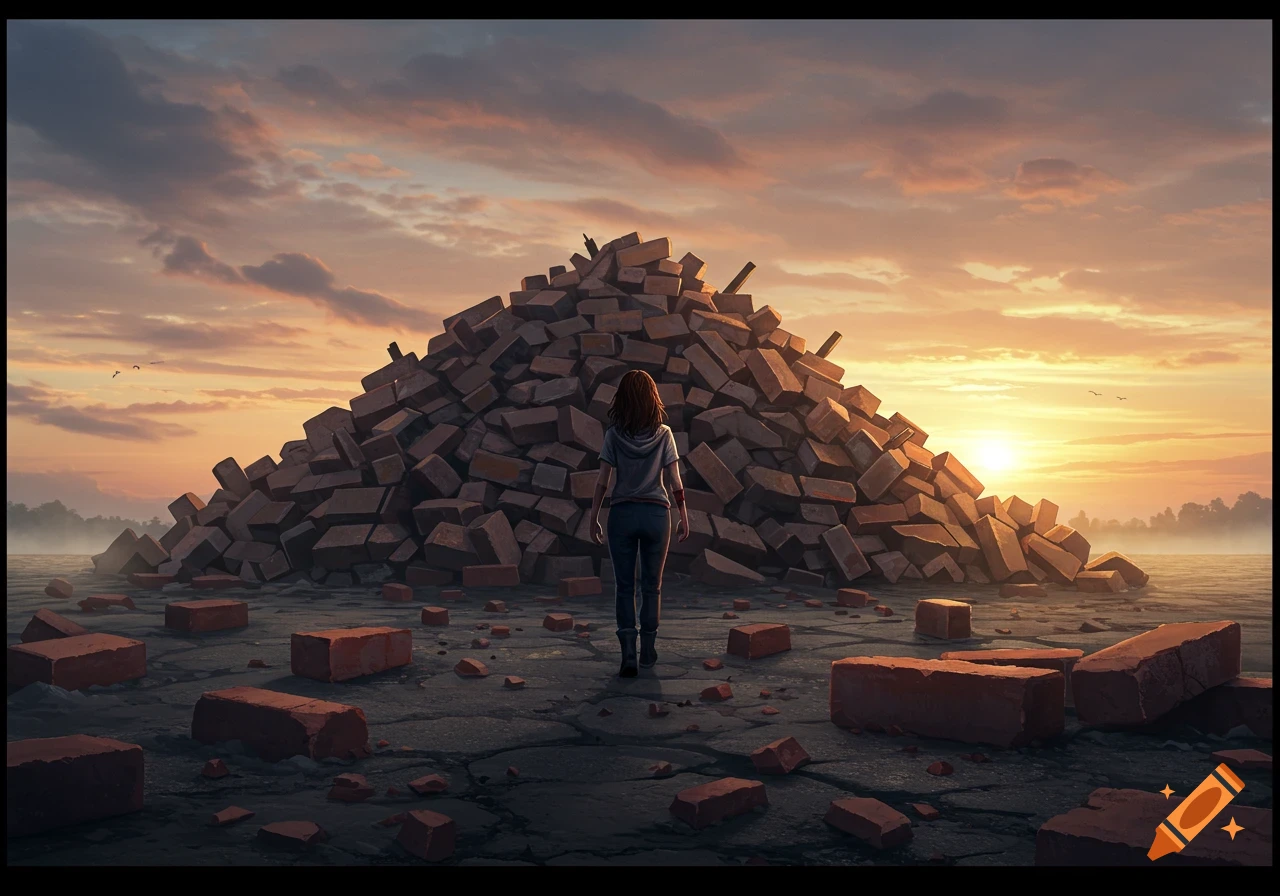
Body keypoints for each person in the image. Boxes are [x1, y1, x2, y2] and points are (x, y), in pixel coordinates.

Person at [589, 370, 689, 678]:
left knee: (624, 587)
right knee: (652, 587)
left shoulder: (613, 435)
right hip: (656, 514)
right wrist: (685, 515)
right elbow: (674, 481)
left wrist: (592, 516)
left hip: (622, 514)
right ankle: (648, 650)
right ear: (652, 398)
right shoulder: (665, 434)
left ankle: (628, 656)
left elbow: (603, 481)